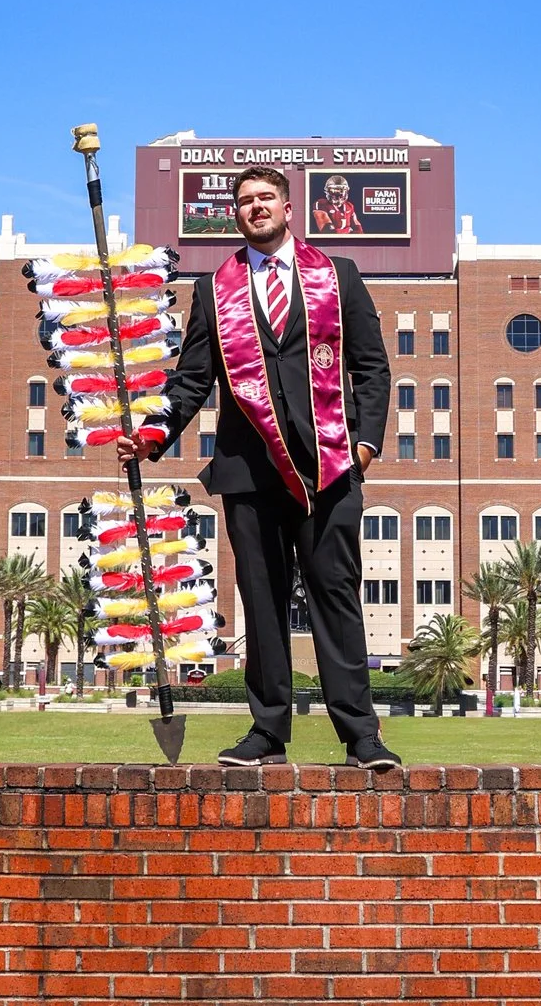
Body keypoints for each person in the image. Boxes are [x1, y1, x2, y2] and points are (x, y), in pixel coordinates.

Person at [119, 160, 394, 771]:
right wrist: (153, 436)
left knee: (336, 597)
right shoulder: (215, 292)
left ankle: (362, 737)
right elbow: (192, 380)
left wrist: (365, 444)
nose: (256, 207)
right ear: (235, 215)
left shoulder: (339, 277)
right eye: (245, 201)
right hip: (248, 471)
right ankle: (267, 731)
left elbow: (373, 370)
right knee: (262, 601)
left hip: (328, 467)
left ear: (289, 208)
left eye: (266, 197)